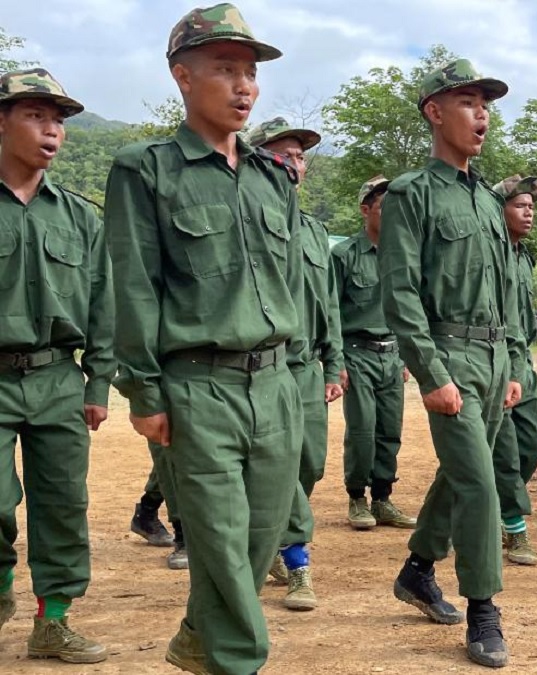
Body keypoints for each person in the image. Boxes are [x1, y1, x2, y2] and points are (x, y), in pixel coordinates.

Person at [105, 5, 303, 672]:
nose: (244, 86)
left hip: (276, 384)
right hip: (199, 387)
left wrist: (300, 372)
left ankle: (198, 638)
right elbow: (134, 285)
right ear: (182, 76)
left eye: (250, 73)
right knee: (218, 541)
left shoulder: (273, 176)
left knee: (256, 541)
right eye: (225, 70)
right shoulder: (146, 169)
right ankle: (240, 659)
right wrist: (144, 389)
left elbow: (289, 285)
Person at [380, 58, 521, 668]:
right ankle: (483, 607)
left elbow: (505, 291)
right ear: (435, 112)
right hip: (450, 355)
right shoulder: (411, 193)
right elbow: (400, 292)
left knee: (465, 472)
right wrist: (431, 373)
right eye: (468, 103)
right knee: (481, 484)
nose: (482, 115)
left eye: (485, 105)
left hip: (493, 355)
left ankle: (417, 568)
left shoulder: (488, 201)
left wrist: (513, 363)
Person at [0, 67, 113, 664]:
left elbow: (103, 305)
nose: (52, 131)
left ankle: (54, 620)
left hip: (58, 379)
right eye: (35, 115)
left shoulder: (79, 217)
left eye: (59, 121)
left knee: (64, 505)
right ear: (2, 122)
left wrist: (99, 383)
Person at [248, 116, 345, 610]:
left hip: (307, 368)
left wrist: (334, 361)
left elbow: (329, 303)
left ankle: (269, 536)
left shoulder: (313, 231)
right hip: (265, 367)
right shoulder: (244, 218)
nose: (294, 163)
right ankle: (296, 559)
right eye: (283, 154)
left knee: (310, 462)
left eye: (301, 156)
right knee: (280, 464)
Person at [331, 176, 415, 531]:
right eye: (384, 207)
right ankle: (357, 498)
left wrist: (408, 355)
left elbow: (410, 308)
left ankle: (382, 499)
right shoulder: (344, 255)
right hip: (357, 354)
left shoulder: (405, 254)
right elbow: (330, 311)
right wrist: (336, 362)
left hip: (392, 355)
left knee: (390, 431)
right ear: (366, 210)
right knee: (362, 431)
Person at [490, 175, 537, 566]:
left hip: (523, 360)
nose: (529, 212)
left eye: (531, 206)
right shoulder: (488, 252)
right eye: (520, 205)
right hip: (495, 359)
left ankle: (488, 506)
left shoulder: (524, 256)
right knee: (505, 451)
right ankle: (513, 526)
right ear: (500, 210)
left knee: (532, 445)